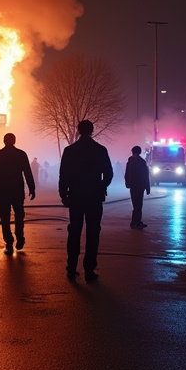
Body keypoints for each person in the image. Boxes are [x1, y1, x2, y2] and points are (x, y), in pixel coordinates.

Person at [58, 120, 112, 281]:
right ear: (92, 131)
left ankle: (71, 267)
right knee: (93, 232)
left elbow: (64, 175)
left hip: (76, 196)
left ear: (78, 130)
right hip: (94, 196)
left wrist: (64, 194)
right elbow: (108, 174)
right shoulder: (100, 150)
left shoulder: (70, 150)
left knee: (74, 231)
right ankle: (89, 269)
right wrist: (101, 187)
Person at [0, 133, 36, 254]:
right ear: (14, 141)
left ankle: (9, 242)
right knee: (19, 215)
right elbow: (27, 172)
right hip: (17, 190)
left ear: (4, 141)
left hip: (2, 190)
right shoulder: (21, 154)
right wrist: (32, 188)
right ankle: (20, 238)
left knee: (5, 217)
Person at [124, 145, 151, 229]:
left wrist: (128, 183)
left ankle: (134, 222)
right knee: (139, 205)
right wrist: (147, 187)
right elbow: (145, 175)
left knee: (135, 204)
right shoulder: (142, 162)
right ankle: (137, 222)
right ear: (139, 152)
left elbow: (127, 174)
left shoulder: (130, 162)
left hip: (133, 186)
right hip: (140, 186)